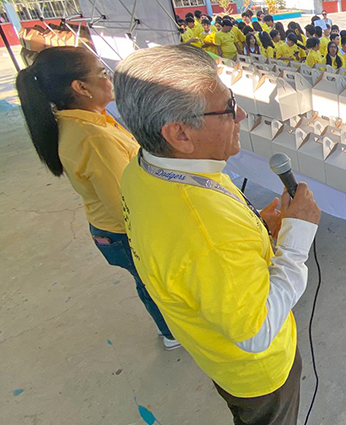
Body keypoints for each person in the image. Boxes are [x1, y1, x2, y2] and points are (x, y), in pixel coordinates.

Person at [114, 44, 321, 425]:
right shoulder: (206, 233)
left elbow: (196, 256)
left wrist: (255, 228)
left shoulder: (143, 168)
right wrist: (296, 238)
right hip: (258, 374)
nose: (241, 114)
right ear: (179, 134)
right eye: (228, 108)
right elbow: (256, 331)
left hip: (213, 343)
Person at [15, 47, 178, 350]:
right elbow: (125, 206)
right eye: (102, 73)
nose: (110, 78)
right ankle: (172, 332)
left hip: (115, 230)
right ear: (80, 87)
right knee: (152, 283)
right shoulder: (93, 137)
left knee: (148, 281)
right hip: (124, 234)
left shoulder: (87, 121)